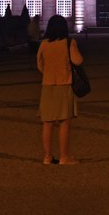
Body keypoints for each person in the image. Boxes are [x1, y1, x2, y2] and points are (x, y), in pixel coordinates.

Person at [36, 14, 82, 165]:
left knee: (47, 123)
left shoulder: (44, 44)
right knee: (64, 122)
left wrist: (49, 73)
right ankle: (64, 157)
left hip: (48, 86)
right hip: (64, 85)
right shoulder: (68, 43)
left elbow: (39, 65)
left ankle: (47, 157)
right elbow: (78, 61)